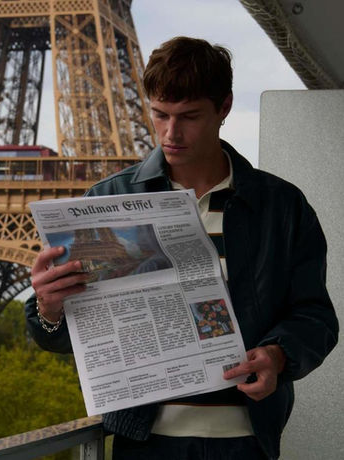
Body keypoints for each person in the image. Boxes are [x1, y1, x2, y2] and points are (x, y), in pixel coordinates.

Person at [25, 37, 338, 459]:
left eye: (189, 117)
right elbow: (64, 340)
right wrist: (48, 308)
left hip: (245, 444)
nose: (171, 133)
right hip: (144, 444)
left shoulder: (282, 207)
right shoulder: (102, 203)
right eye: (160, 114)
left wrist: (279, 356)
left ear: (224, 107)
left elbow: (315, 316)